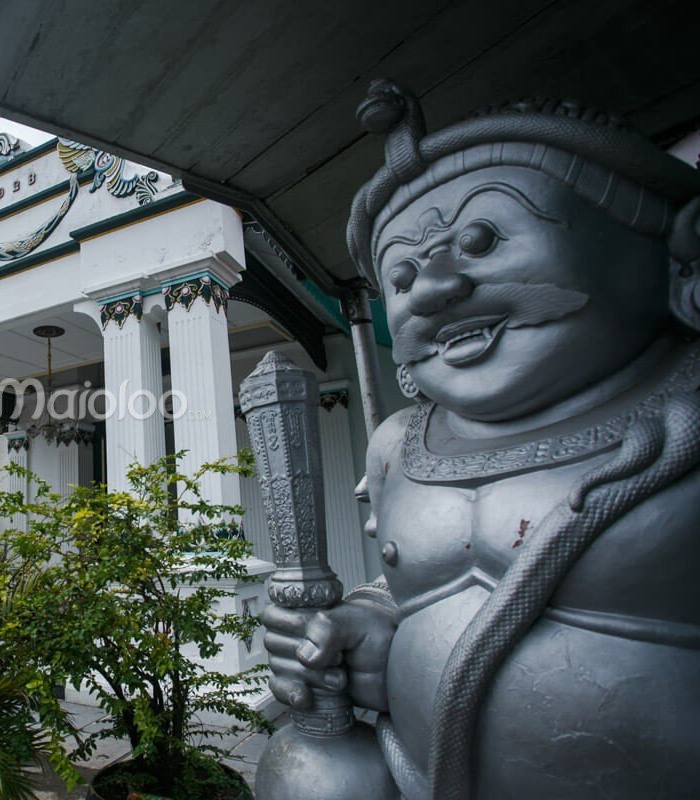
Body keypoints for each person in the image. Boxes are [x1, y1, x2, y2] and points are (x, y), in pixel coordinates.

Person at [260, 81, 700, 798]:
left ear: (672, 248)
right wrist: (366, 625)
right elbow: (413, 589)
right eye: (400, 275)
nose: (432, 288)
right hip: (423, 770)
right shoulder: (401, 443)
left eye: (481, 238)